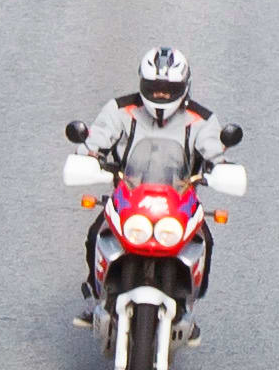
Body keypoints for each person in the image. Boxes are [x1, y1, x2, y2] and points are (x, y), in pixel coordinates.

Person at [68, 43, 242, 331]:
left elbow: (214, 151)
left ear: (184, 87)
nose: (161, 95)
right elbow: (96, 140)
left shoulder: (201, 120)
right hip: (127, 196)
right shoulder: (121, 110)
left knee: (205, 242)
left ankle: (186, 306)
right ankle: (96, 296)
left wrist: (220, 168)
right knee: (95, 234)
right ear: (142, 84)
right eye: (154, 88)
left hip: (180, 200)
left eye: (168, 89)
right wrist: (88, 155)